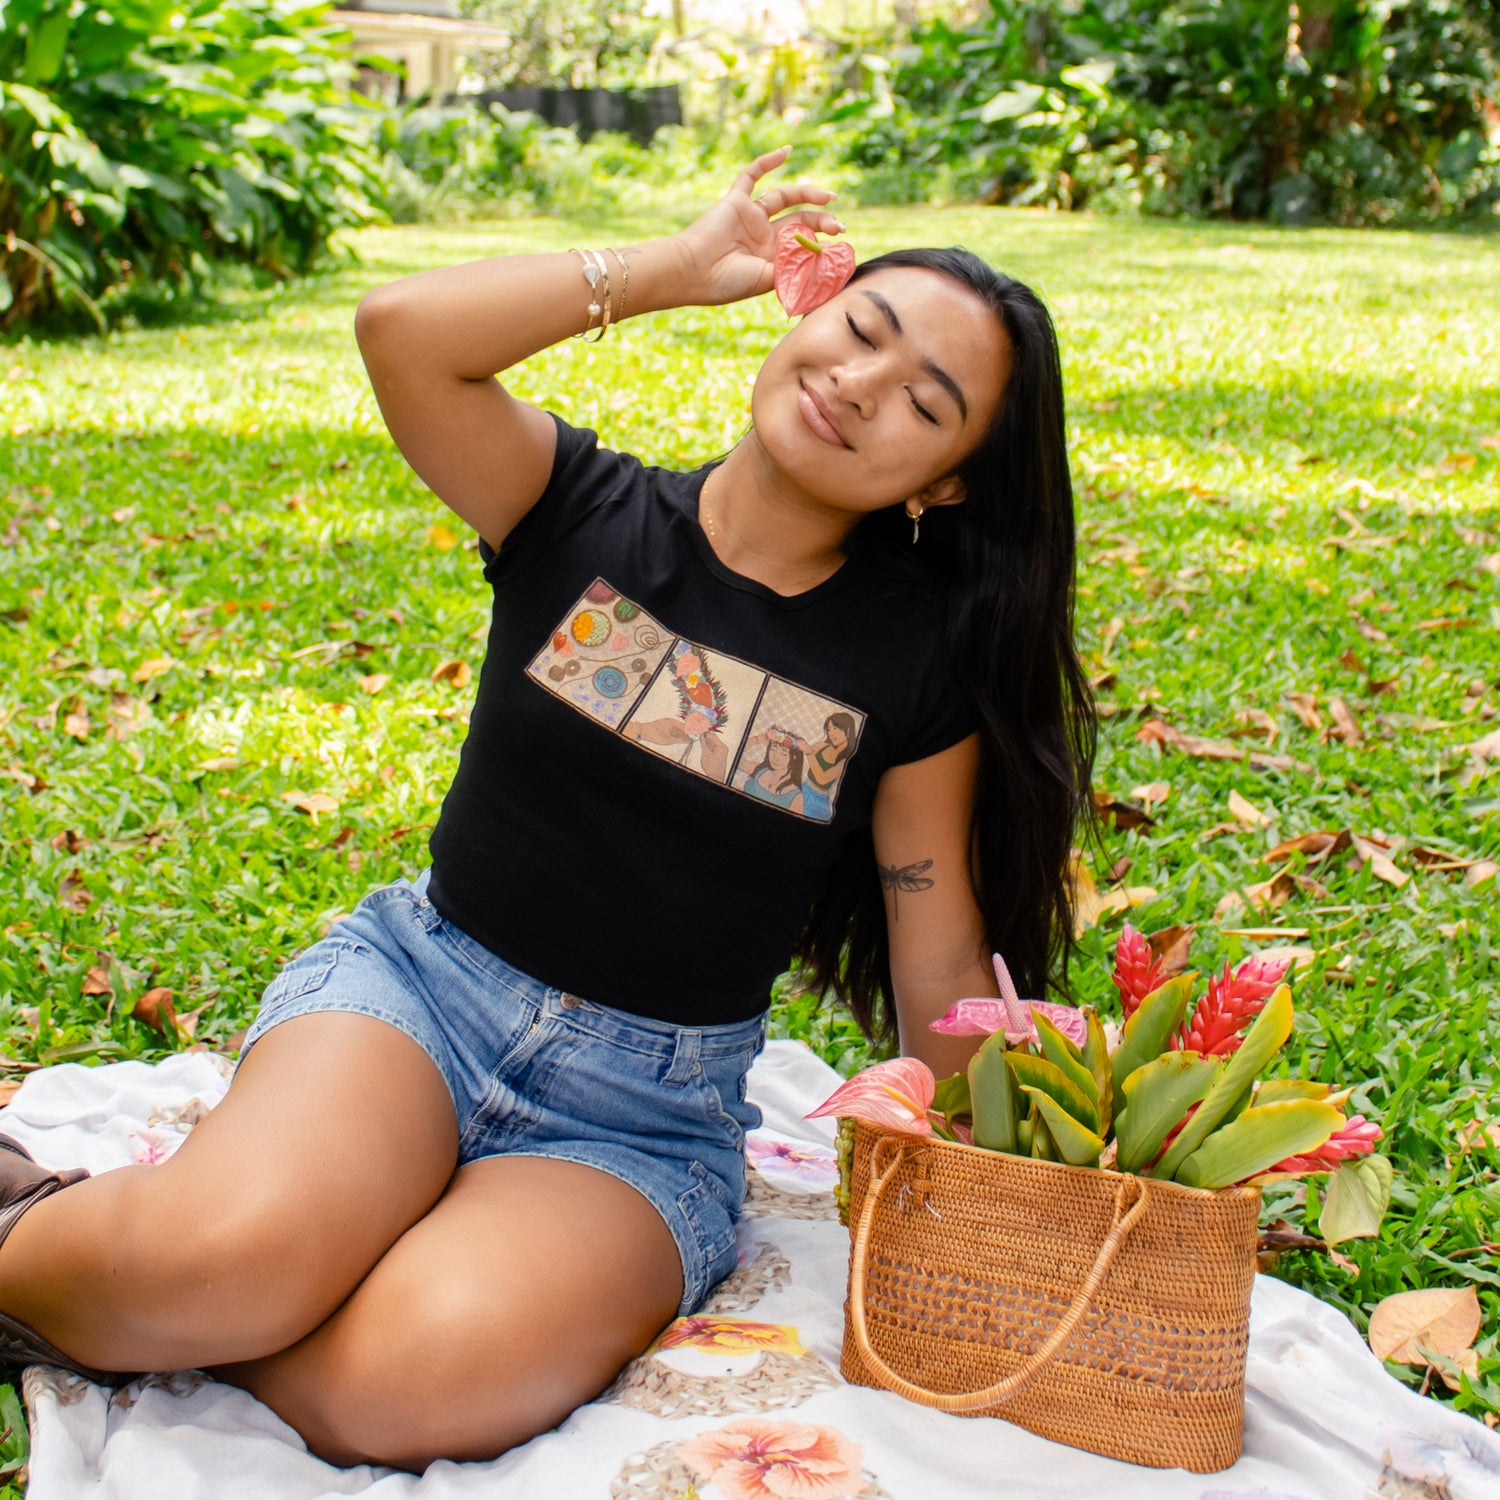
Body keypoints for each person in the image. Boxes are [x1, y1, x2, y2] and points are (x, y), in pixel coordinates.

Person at [0, 147, 1095, 1472]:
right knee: (220, 1258)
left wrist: (1009, 1180)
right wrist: (671, 268)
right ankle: (66, 1236)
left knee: (404, 1383)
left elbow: (936, 945)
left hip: (640, 1119)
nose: (862, 385)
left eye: (924, 401)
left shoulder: (915, 667)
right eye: (861, 328)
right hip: (419, 997)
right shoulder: (579, 508)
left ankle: (214, 1298)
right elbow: (403, 333)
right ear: (805, 312)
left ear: (947, 483)